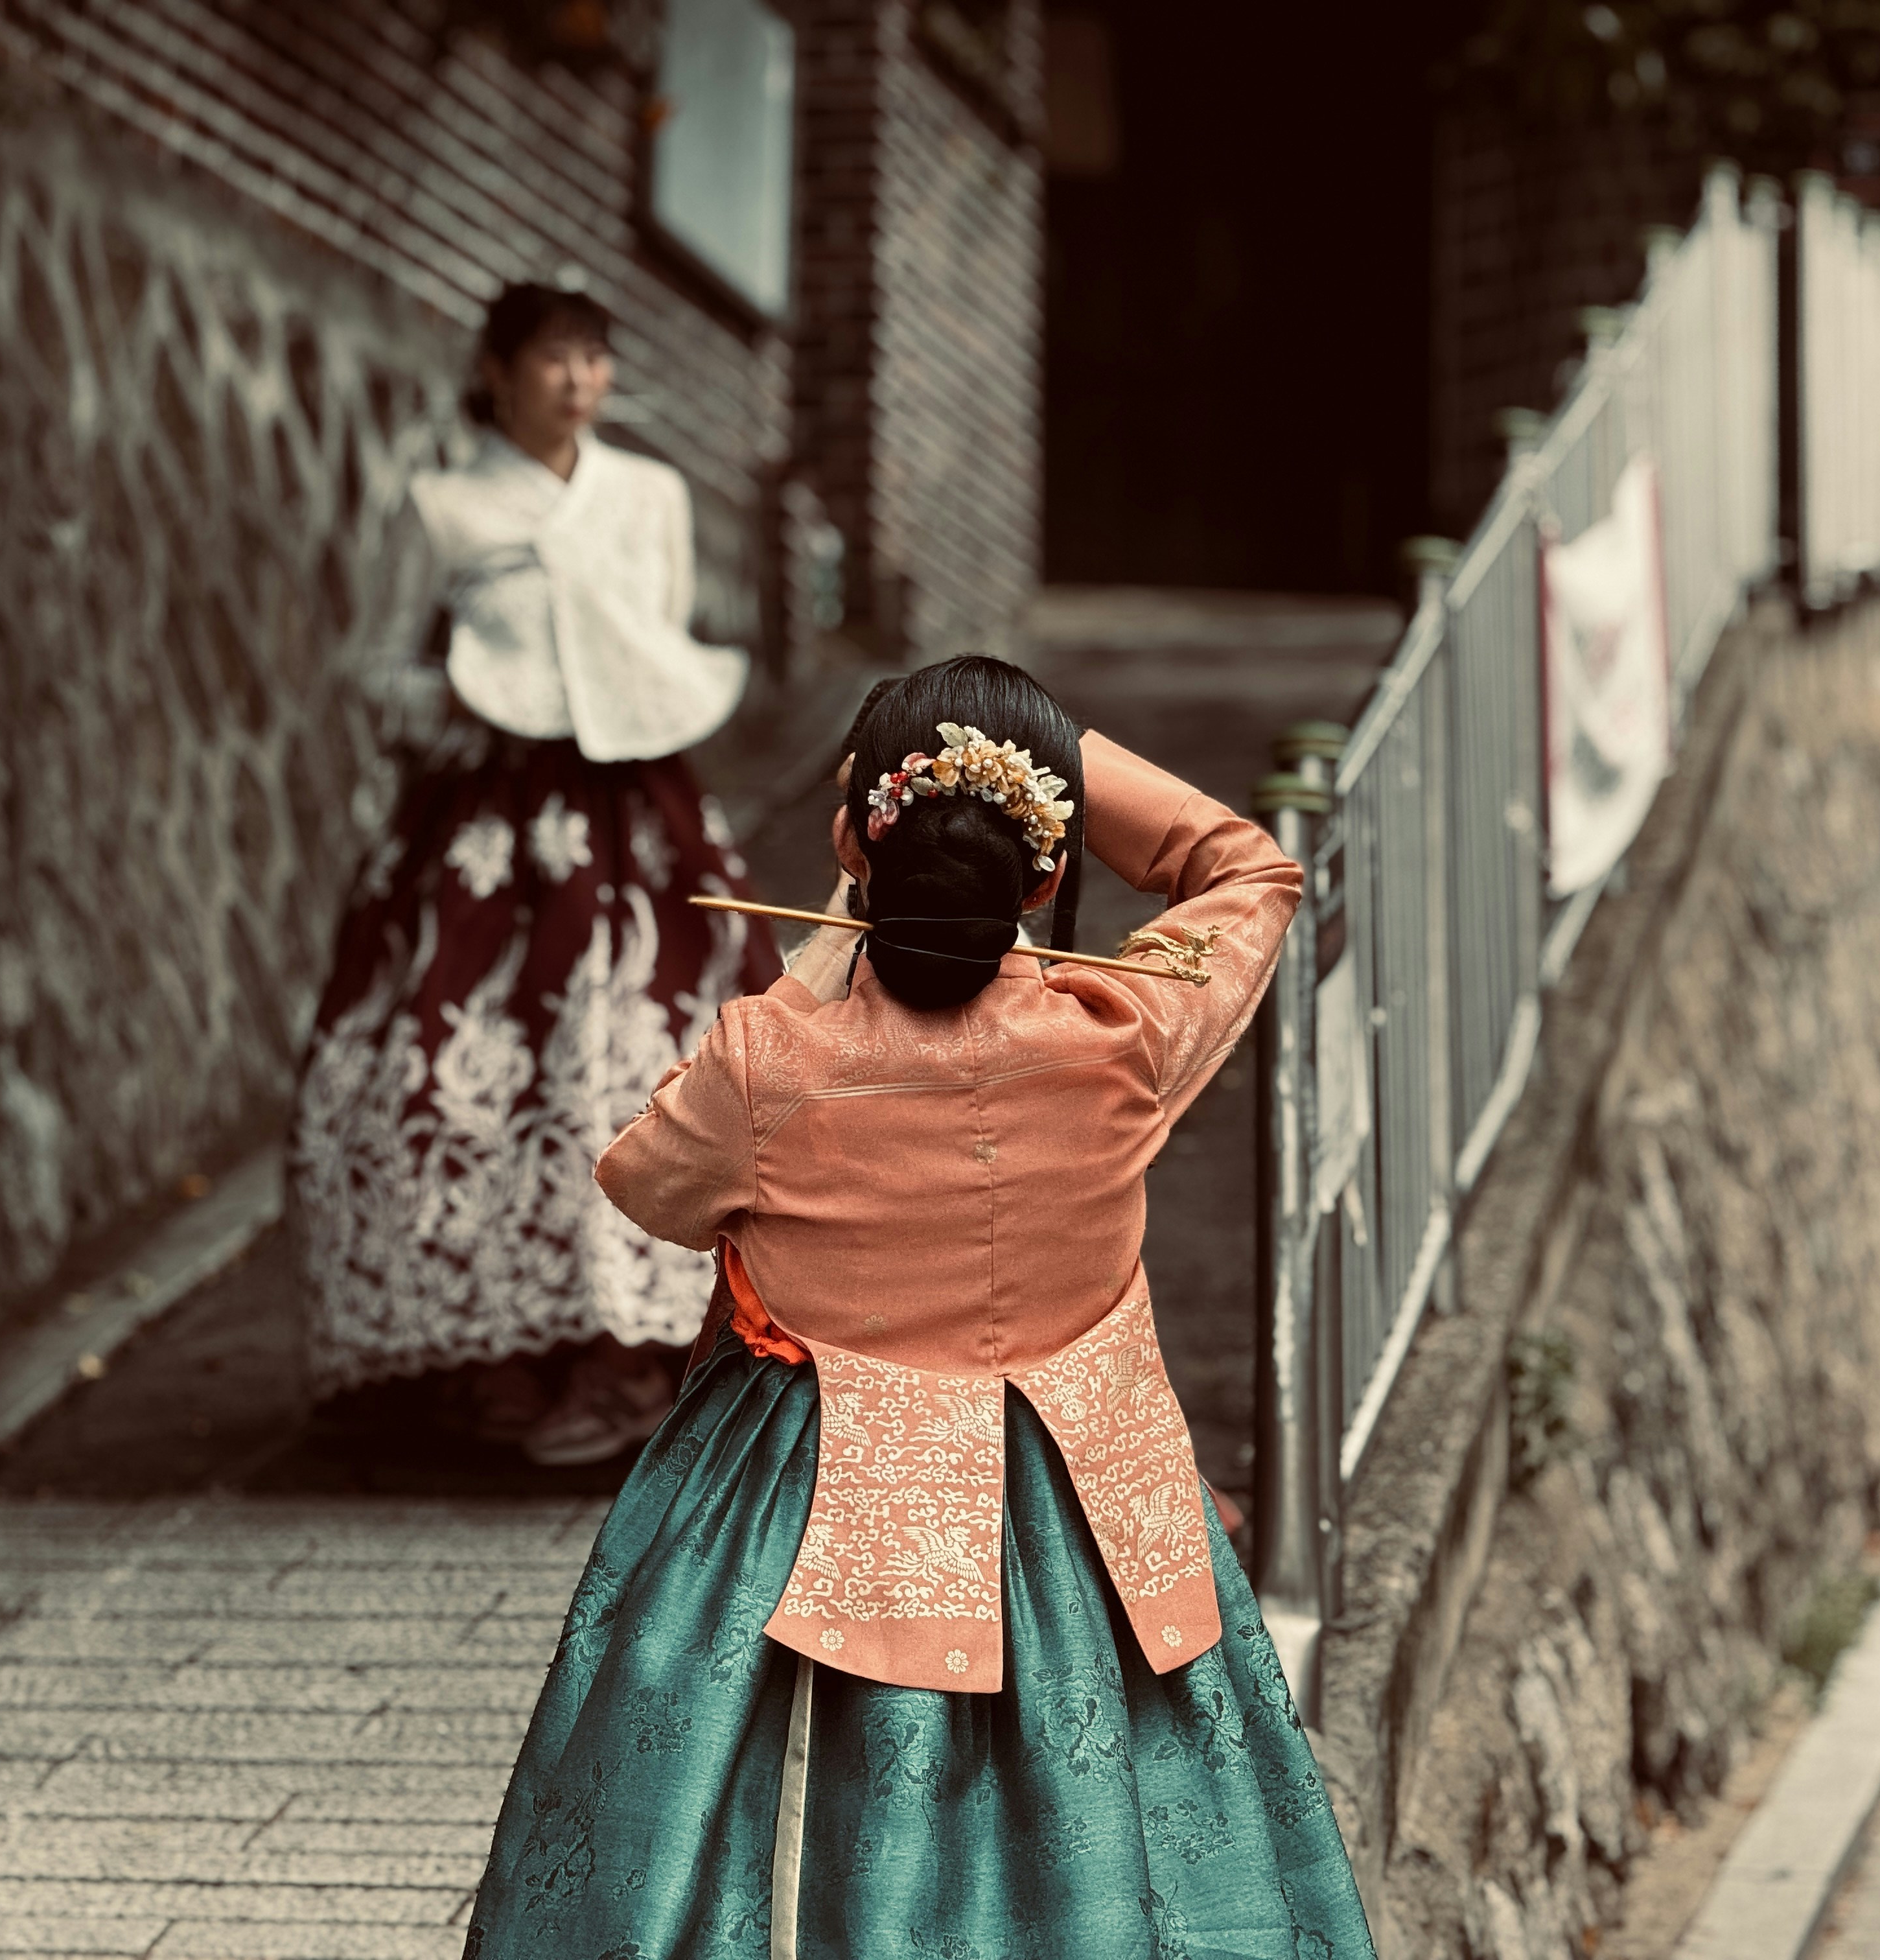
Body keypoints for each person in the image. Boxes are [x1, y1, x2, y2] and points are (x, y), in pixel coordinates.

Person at [460, 657, 1376, 1958]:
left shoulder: (765, 1060)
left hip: (794, 1502)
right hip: (1093, 1507)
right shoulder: (1124, 1034)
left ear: (850, 845)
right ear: (1047, 874)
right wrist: (1046, 758)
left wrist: (830, 956)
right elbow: (1249, 870)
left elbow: (650, 1182)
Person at [292, 284, 780, 1466]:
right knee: (441, 1054)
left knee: (643, 1054)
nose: (578, 382)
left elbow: (651, 644)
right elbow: (380, 659)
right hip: (481, 820)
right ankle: (481, 1359)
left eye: (595, 360)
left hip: (636, 817)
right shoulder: (441, 505)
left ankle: (640, 1353)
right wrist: (455, 707)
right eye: (554, 359)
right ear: (498, 371)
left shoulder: (648, 495)